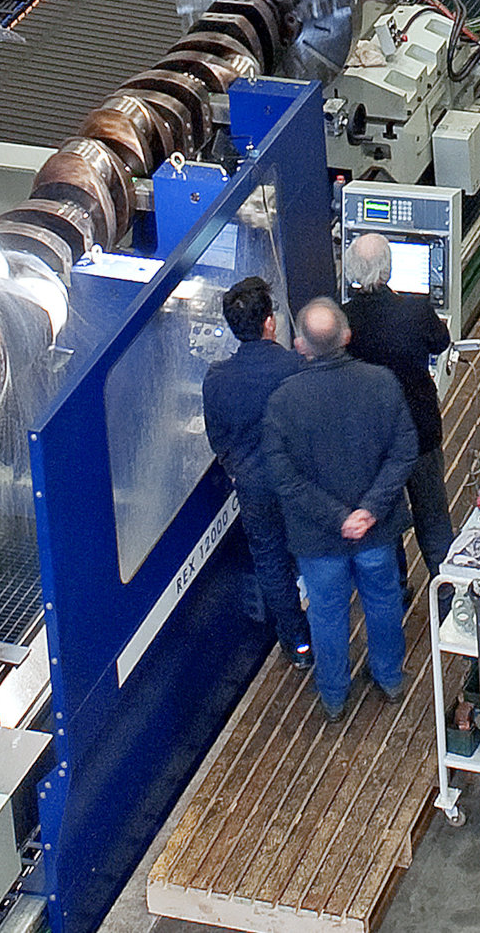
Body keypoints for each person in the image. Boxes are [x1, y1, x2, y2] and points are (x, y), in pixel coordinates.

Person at [262, 298, 422, 719]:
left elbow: (286, 478)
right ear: (347, 336)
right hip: (376, 531)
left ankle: (334, 695)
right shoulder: (382, 383)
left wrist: (337, 518)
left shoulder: (283, 403)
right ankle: (388, 677)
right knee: (384, 602)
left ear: (300, 344)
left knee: (327, 615)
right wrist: (369, 510)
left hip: (319, 541)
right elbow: (404, 451)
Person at [200, 277, 311, 672]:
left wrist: (239, 470)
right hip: (298, 483)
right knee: (312, 551)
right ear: (269, 323)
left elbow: (219, 439)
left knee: (271, 562)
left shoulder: (217, 377)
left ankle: (297, 643)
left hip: (254, 487)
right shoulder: (296, 367)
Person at [338, 233, 456, 576]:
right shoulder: (416, 311)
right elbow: (440, 341)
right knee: (433, 520)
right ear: (388, 269)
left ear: (352, 272)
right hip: (419, 432)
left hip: (374, 442)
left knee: (385, 524)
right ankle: (445, 594)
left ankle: (398, 589)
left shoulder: (344, 322)